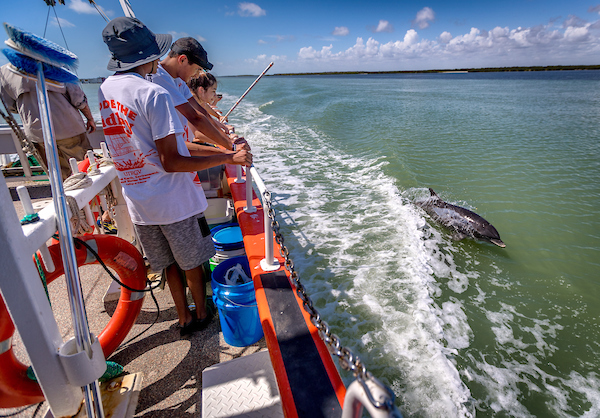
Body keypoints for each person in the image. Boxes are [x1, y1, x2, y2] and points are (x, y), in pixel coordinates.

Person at [98, 17, 252, 336]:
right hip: (173, 200)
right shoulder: (153, 93)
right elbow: (172, 160)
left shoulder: (105, 89)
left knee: (167, 264)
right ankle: (200, 314)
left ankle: (181, 318)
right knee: (192, 261)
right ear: (148, 55)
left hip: (138, 200)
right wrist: (229, 155)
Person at [0, 64, 96, 179]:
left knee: (60, 177)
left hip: (37, 133)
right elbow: (78, 99)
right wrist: (89, 118)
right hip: (69, 128)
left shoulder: (4, 71)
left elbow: (12, 107)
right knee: (85, 169)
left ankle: (67, 197)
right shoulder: (54, 62)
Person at [147, 37, 244, 151]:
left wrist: (226, 137)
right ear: (182, 60)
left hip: (182, 149)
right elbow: (194, 117)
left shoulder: (177, 80)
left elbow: (200, 111)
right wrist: (232, 146)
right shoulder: (158, 77)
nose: (197, 76)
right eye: (197, 69)